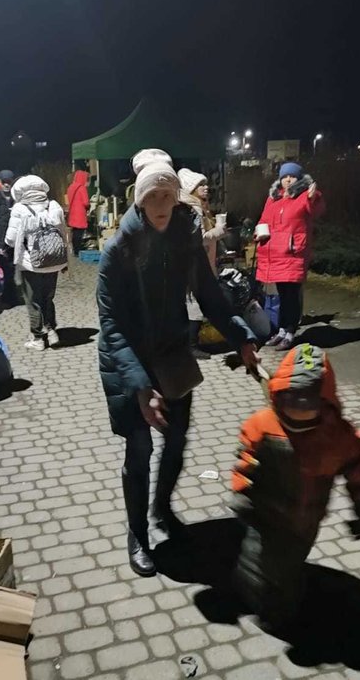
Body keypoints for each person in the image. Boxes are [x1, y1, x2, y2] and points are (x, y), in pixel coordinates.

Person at [97, 148, 258, 577]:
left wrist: (241, 335)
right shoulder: (118, 250)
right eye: (153, 197)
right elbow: (110, 326)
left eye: (168, 196)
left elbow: (209, 294)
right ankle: (137, 534)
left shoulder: (184, 238)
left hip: (170, 353)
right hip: (126, 360)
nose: (161, 206)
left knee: (177, 438)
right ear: (139, 199)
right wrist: (141, 388)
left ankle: (162, 509)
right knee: (140, 449)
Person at [231, 343, 360, 627]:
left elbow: (358, 471)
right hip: (264, 512)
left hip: (307, 517)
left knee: (291, 560)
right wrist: (242, 490)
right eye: (291, 398)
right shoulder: (263, 425)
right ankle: (257, 594)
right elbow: (246, 458)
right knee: (258, 558)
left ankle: (279, 600)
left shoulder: (339, 435)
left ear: (324, 401)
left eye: (307, 401)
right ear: (278, 393)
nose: (298, 409)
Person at [255, 162, 325, 351]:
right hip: (276, 254)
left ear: (299, 179)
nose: (287, 180)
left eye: (292, 176)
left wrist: (313, 198)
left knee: (292, 296)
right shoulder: (273, 198)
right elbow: (264, 219)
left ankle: (290, 331)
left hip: (293, 254)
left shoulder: (304, 196)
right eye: (285, 176)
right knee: (282, 295)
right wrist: (259, 231)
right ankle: (281, 331)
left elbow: (316, 209)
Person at [5, 175, 67, 350]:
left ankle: (38, 338)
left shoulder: (19, 209)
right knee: (48, 297)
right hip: (54, 260)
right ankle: (52, 331)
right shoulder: (53, 205)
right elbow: (63, 233)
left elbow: (10, 240)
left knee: (33, 300)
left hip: (31, 263)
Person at [179, 168, 227, 359]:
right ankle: (191, 346)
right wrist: (219, 231)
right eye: (201, 185)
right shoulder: (193, 209)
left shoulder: (200, 206)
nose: (206, 188)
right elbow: (198, 238)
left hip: (202, 262)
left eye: (206, 184)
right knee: (194, 305)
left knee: (194, 304)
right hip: (196, 264)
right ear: (192, 188)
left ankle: (192, 343)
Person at [65, 169, 91, 256]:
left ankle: (75, 250)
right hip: (80, 214)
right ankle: (77, 251)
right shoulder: (82, 188)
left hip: (72, 213)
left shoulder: (70, 187)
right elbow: (86, 202)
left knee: (75, 232)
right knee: (79, 233)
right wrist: (89, 207)